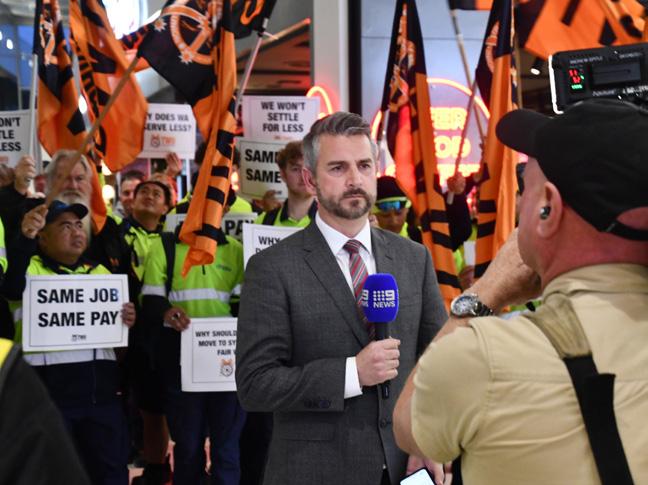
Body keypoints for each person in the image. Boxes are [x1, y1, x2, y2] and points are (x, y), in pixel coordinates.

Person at [393, 98, 648, 484]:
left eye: (524, 185)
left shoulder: (483, 357)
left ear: (548, 209)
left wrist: (486, 291)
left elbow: (409, 424)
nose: (518, 201)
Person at [235, 112, 448, 485]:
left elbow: (439, 365)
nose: (355, 180)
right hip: (314, 472)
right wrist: (351, 374)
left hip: (406, 468)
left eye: (364, 165)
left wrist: (429, 439)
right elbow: (256, 384)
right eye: (338, 168)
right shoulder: (272, 268)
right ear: (310, 180)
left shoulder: (414, 258)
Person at [2, 200, 136, 485]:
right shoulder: (28, 271)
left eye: (78, 225)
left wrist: (125, 321)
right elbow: (11, 287)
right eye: (65, 226)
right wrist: (24, 238)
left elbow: (118, 347)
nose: (76, 232)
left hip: (100, 398)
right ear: (42, 237)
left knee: (111, 473)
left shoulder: (101, 273)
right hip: (47, 401)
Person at [141, 204, 246, 485]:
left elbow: (241, 305)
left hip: (226, 362)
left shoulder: (235, 250)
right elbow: (150, 299)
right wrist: (166, 312)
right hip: (179, 360)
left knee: (226, 448)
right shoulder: (165, 246)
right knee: (188, 446)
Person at [254, 141, 317, 227]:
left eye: (309, 169)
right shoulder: (262, 222)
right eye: (296, 169)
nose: (303, 176)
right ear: (283, 174)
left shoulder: (332, 224)